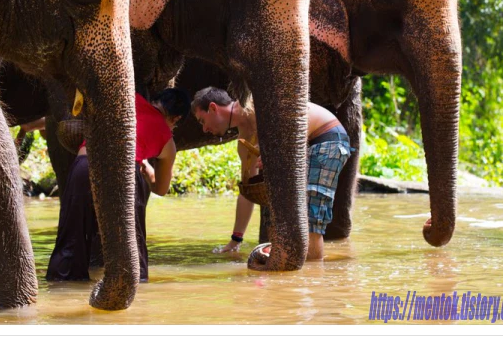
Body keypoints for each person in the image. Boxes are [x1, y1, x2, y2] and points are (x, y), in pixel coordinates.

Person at [46, 88, 191, 282]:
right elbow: (161, 188)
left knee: (70, 241)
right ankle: (133, 289)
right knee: (132, 245)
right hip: (125, 173)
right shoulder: (167, 140)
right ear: (176, 119)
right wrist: (147, 169)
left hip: (85, 164)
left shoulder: (130, 98)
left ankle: (60, 293)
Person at [191, 87, 351, 261]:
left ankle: (312, 279)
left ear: (213, 108)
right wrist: (235, 240)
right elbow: (248, 190)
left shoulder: (259, 103)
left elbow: (295, 125)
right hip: (304, 150)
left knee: (310, 219)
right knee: (286, 219)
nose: (204, 129)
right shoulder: (243, 142)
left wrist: (274, 152)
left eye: (201, 121)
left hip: (325, 139)